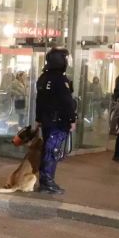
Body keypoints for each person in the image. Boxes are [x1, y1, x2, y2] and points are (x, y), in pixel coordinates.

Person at [35, 49, 77, 194]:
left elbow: (39, 100)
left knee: (48, 150)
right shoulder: (60, 79)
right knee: (52, 151)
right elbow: (67, 102)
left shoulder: (44, 77)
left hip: (47, 120)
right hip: (58, 121)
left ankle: (45, 180)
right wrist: (72, 119)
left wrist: (39, 118)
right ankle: (47, 181)